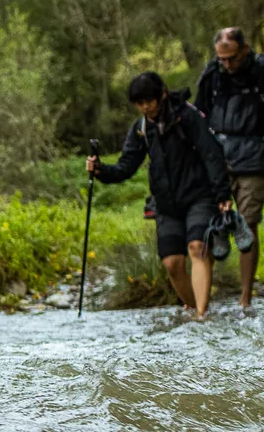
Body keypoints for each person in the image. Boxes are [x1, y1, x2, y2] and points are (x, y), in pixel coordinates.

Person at [87, 72, 232, 321]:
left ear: (162, 94)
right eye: (140, 103)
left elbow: (211, 154)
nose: (145, 107)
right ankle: (195, 307)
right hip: (166, 204)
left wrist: (222, 195)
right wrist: (100, 169)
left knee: (197, 248)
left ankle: (201, 316)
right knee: (172, 264)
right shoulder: (142, 129)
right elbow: (126, 167)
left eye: (149, 101)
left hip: (200, 196)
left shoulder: (187, 116)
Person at [194, 27, 264, 308]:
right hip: (218, 158)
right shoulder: (212, 75)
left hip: (256, 159)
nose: (227, 65)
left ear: (245, 50)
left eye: (231, 58)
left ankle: (245, 300)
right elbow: (197, 116)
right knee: (208, 223)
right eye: (222, 59)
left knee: (248, 223)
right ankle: (202, 299)